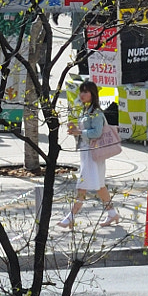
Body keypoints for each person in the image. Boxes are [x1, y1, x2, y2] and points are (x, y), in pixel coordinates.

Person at [60, 80, 121, 228]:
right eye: (81, 91)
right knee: (99, 185)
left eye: (86, 92)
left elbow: (97, 132)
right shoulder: (86, 111)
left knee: (83, 184)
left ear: (92, 94)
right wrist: (76, 130)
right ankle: (112, 213)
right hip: (88, 153)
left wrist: (79, 131)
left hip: (93, 153)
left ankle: (71, 216)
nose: (82, 94)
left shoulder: (96, 113)